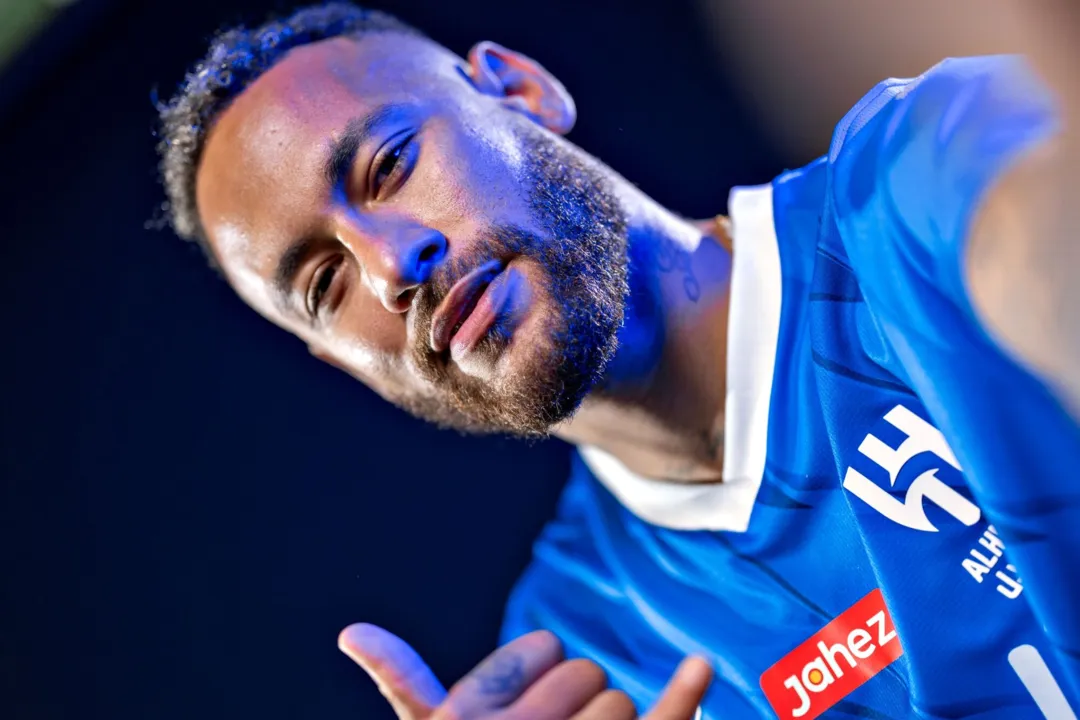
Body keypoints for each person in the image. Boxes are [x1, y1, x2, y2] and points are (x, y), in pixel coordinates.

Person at [155, 2, 1080, 718]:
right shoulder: (582, 658)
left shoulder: (920, 178)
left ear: (519, 90)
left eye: (390, 164)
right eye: (325, 285)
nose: (394, 267)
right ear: (341, 362)